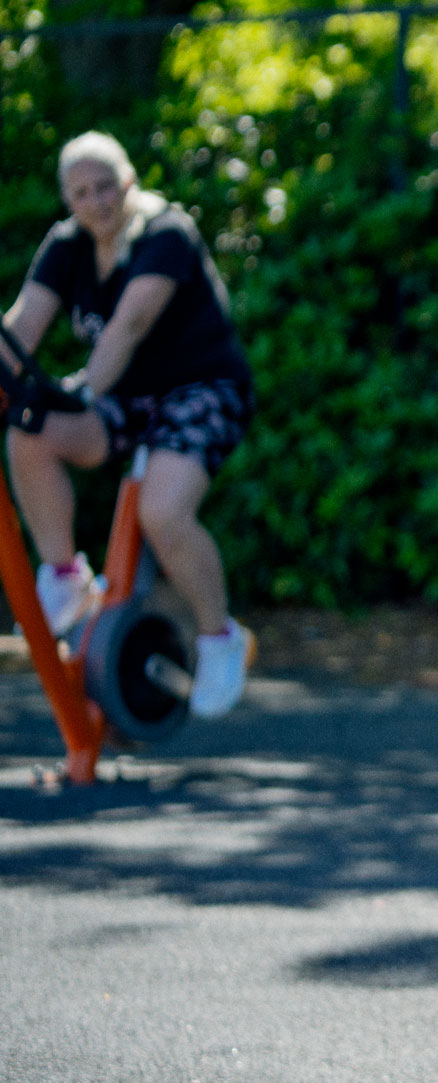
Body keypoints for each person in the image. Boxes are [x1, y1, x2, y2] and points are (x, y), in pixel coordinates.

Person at [2, 131, 255, 717]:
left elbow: (129, 326)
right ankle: (65, 576)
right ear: (68, 200)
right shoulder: (66, 246)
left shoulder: (165, 233)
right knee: (28, 432)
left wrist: (81, 393)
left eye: (105, 186)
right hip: (127, 395)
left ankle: (220, 638)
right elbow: (21, 328)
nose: (97, 201)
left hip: (201, 390)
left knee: (163, 512)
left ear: (129, 182)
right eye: (81, 192)